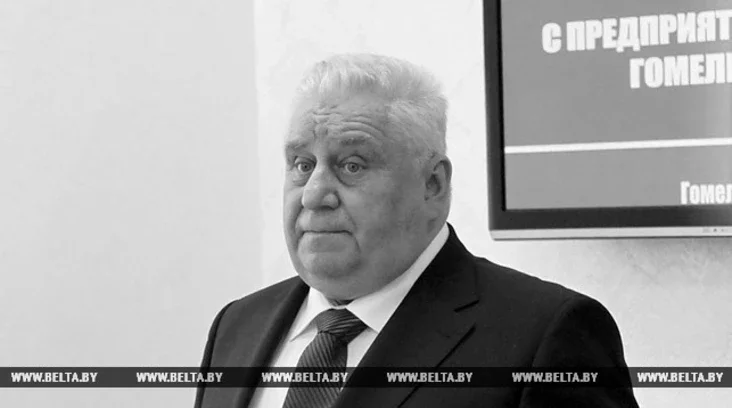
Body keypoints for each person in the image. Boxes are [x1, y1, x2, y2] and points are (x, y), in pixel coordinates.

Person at [195, 53, 639, 408]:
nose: (314, 194)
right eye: (301, 164)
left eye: (352, 165)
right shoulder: (238, 325)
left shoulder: (545, 336)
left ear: (433, 185)